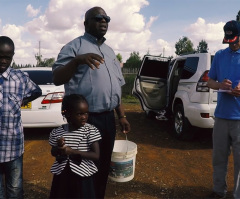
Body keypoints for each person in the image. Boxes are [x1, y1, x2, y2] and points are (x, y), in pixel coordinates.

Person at [52, 6, 131, 198]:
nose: (103, 21)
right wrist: (76, 61)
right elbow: (56, 77)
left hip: (107, 120)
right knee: (82, 168)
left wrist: (121, 115)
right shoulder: (74, 47)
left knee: (103, 164)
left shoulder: (110, 52)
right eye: (98, 18)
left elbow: (116, 87)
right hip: (84, 121)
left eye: (106, 18)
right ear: (86, 23)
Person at [0, 36, 42, 199]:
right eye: (0, 56)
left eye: (7, 57)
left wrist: (23, 101)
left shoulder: (20, 78)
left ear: (12, 56)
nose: (3, 61)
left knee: (15, 189)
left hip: (14, 147)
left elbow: (36, 91)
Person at [207, 20, 240, 199]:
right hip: (221, 116)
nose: (231, 43)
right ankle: (219, 191)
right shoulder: (220, 55)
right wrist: (220, 84)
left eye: (234, 39)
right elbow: (210, 81)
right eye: (228, 39)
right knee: (219, 158)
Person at [49, 94, 101, 198]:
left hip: (82, 177)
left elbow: (96, 155)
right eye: (79, 114)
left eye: (86, 113)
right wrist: (59, 148)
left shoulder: (90, 131)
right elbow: (53, 152)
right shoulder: (58, 132)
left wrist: (72, 151)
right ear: (67, 114)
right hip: (62, 176)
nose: (84, 117)